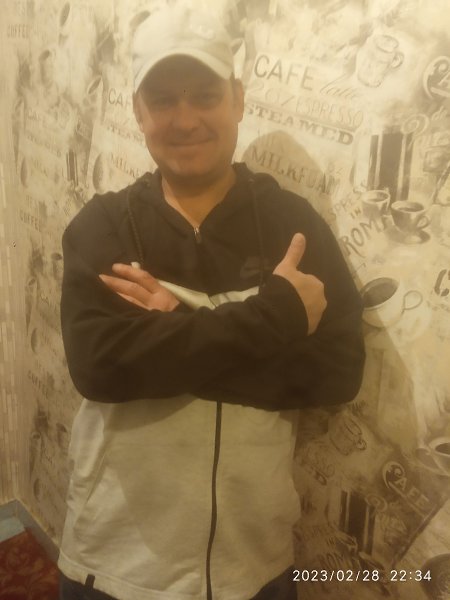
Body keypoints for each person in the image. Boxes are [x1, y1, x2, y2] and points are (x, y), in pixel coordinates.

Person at [57, 5, 365, 600]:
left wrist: (175, 332)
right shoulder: (102, 226)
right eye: (163, 100)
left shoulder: (294, 226)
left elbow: (338, 372)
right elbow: (100, 366)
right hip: (114, 563)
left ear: (238, 100)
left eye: (205, 95)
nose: (185, 119)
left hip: (254, 564)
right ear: (139, 111)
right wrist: (275, 318)